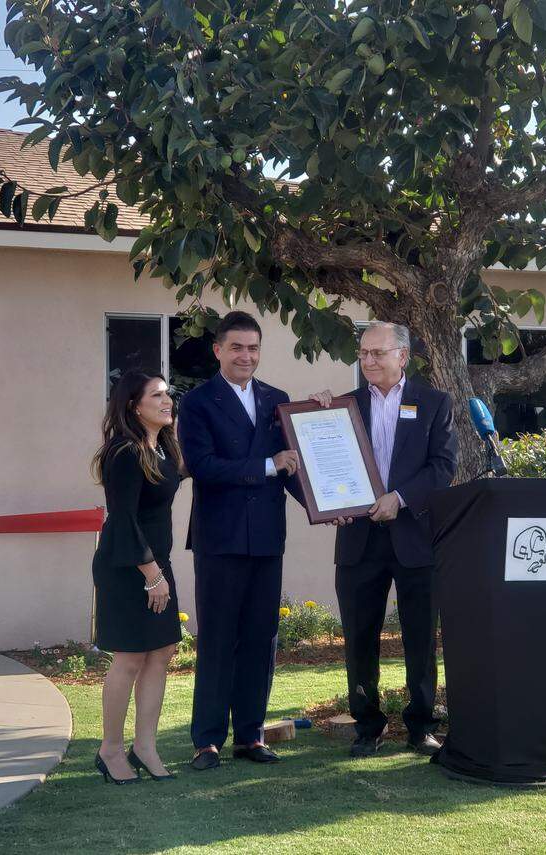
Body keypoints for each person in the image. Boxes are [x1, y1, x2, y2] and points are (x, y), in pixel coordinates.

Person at [310, 321, 457, 757]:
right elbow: (321, 461)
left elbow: (442, 467)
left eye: (378, 353)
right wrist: (317, 414)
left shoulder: (434, 403)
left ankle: (421, 725)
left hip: (415, 539)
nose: (369, 360)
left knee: (420, 638)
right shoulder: (342, 406)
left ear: (403, 356)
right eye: (364, 353)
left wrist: (400, 498)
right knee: (358, 637)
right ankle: (367, 725)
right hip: (359, 540)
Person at [177, 311, 302, 771]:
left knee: (260, 639)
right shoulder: (196, 403)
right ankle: (206, 740)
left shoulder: (278, 400)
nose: (245, 356)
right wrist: (269, 465)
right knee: (217, 639)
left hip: (267, 538)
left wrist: (327, 506)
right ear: (218, 350)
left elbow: (294, 467)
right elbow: (204, 466)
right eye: (236, 347)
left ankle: (250, 735)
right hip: (220, 539)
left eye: (252, 348)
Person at [91, 370, 185, 784]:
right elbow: (124, 519)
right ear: (134, 404)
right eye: (158, 395)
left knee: (161, 652)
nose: (167, 401)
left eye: (169, 395)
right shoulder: (125, 452)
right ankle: (110, 749)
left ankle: (144, 745)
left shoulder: (161, 448)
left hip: (156, 564)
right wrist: (152, 575)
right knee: (129, 657)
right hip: (129, 567)